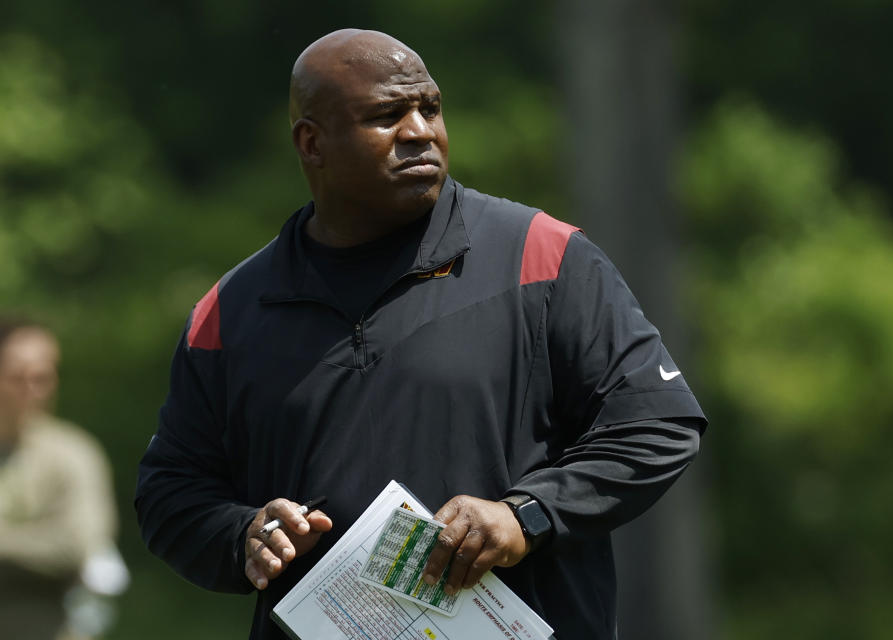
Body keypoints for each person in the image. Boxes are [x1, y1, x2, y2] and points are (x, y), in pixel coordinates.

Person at [135, 29, 707, 639]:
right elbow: (171, 492)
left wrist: (527, 516)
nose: (420, 132)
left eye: (429, 109)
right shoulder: (232, 308)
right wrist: (243, 535)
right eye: (386, 115)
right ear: (312, 143)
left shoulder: (543, 256)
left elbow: (655, 424)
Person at [0, 320, 127, 640]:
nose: (33, 388)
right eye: (18, 376)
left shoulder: (73, 454)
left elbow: (74, 547)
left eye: (43, 376)